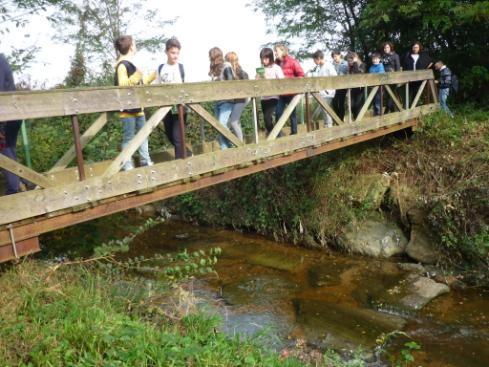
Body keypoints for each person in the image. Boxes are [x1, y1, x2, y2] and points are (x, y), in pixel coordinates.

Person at [114, 35, 154, 170]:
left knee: (143, 135)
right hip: (127, 109)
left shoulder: (131, 64)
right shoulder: (121, 65)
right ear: (131, 46)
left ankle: (145, 161)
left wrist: (151, 77)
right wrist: (137, 75)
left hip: (138, 107)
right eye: (135, 44)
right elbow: (123, 85)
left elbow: (139, 84)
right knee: (128, 138)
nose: (136, 46)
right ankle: (127, 165)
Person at [156, 37, 191, 159]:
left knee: (177, 137)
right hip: (166, 108)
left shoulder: (181, 68)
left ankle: (181, 165)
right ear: (166, 52)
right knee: (170, 135)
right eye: (172, 53)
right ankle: (187, 153)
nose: (175, 56)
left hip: (180, 108)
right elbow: (157, 88)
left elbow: (190, 88)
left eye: (177, 53)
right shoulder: (161, 68)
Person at [0, 54, 22, 195]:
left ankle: (14, 192)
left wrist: (0, 127)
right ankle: (23, 183)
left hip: (6, 118)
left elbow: (1, 93)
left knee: (5, 153)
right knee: (8, 154)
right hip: (9, 116)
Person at [274, 43, 304, 135]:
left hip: (292, 93)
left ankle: (294, 133)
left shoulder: (293, 61)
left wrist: (291, 83)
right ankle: (278, 134)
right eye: (274, 51)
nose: (275, 53)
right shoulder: (276, 63)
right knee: (278, 112)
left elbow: (301, 75)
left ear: (283, 51)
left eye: (276, 51)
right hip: (281, 94)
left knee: (292, 114)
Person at [208, 47, 235, 150]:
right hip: (217, 101)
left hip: (226, 101)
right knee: (218, 127)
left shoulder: (226, 66)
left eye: (211, 57)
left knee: (221, 124)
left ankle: (233, 141)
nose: (210, 60)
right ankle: (225, 150)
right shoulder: (213, 70)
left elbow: (230, 83)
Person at [256, 48, 285, 135]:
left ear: (270, 58)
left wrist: (266, 77)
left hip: (273, 96)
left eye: (266, 58)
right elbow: (258, 84)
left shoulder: (276, 68)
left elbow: (282, 81)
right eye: (262, 58)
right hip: (264, 97)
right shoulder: (261, 69)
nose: (264, 60)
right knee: (266, 121)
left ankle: (273, 136)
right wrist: (257, 78)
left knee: (267, 117)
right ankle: (276, 136)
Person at [225, 51, 249, 142]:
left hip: (241, 99)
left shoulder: (239, 71)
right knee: (235, 121)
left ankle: (240, 143)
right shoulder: (233, 70)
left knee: (233, 122)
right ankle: (239, 142)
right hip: (238, 99)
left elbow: (246, 84)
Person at [309, 50, 337, 127]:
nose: (314, 62)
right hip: (322, 93)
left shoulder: (328, 66)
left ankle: (329, 127)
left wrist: (328, 89)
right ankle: (327, 126)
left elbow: (335, 77)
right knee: (324, 111)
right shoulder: (320, 67)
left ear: (318, 58)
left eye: (314, 60)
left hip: (328, 93)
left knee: (326, 111)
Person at [381, 42, 401, 113]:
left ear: (390, 48)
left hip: (393, 78)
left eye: (387, 47)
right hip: (384, 79)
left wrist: (397, 79)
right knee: (388, 96)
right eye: (385, 48)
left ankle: (386, 112)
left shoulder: (395, 56)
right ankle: (393, 112)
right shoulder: (383, 56)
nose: (386, 49)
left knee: (391, 95)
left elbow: (398, 68)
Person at [346, 51, 366, 120]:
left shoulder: (362, 65)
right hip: (352, 89)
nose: (350, 62)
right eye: (349, 61)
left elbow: (357, 74)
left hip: (360, 89)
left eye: (351, 61)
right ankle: (356, 120)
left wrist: (355, 63)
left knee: (358, 106)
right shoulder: (350, 67)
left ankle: (358, 121)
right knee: (351, 106)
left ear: (355, 59)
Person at [331, 50, 348, 121]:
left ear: (340, 55)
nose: (335, 58)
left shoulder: (345, 63)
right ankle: (338, 118)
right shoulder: (331, 65)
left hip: (343, 86)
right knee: (334, 103)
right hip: (335, 86)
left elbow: (347, 74)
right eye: (333, 57)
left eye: (336, 56)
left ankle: (341, 119)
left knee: (341, 103)